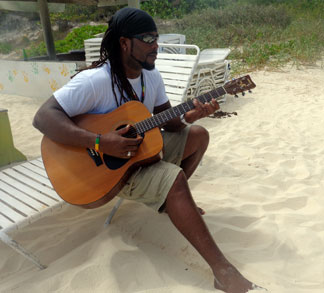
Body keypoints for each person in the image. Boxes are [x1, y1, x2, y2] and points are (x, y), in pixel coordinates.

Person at [33, 7, 262, 293]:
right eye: (148, 39)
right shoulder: (95, 81)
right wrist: (100, 142)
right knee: (173, 179)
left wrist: (192, 116)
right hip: (107, 171)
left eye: (156, 37)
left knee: (199, 136)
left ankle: (169, 203)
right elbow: (43, 117)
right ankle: (223, 272)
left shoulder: (150, 78)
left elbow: (173, 123)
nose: (156, 45)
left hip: (139, 153)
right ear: (124, 43)